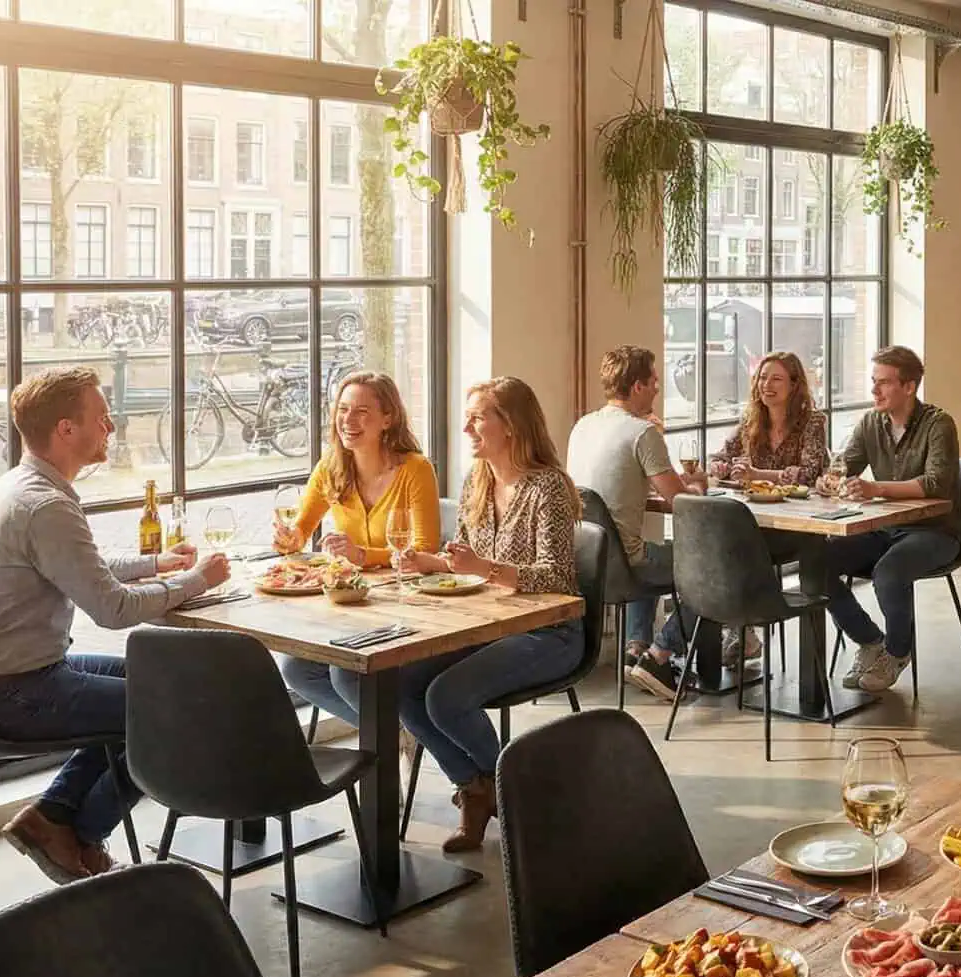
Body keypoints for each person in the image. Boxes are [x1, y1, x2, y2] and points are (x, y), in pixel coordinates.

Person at [0, 367, 230, 883]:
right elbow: (113, 610)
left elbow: (81, 565)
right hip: (15, 691)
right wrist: (195, 581)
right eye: (101, 417)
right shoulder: (45, 505)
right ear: (66, 429)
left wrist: (156, 564)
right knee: (175, 709)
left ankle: (52, 818)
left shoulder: (17, 486)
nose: (110, 426)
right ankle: (79, 833)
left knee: (159, 682)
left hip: (4, 676)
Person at [340, 377, 586, 852]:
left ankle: (516, 795)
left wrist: (484, 568)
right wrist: (428, 563)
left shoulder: (548, 487)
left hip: (549, 632)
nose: (467, 428)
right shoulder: (478, 480)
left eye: (477, 418)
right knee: (401, 686)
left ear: (510, 425)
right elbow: (465, 563)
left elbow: (556, 576)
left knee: (446, 696)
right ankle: (476, 788)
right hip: (487, 625)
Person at [278, 372, 441, 724]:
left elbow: (424, 550)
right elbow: (299, 532)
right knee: (296, 669)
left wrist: (363, 556)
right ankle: (392, 732)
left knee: (345, 675)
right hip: (352, 606)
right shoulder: (330, 468)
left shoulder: (415, 470)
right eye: (343, 410)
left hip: (406, 607)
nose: (348, 420)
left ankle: (393, 736)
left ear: (388, 419)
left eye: (362, 412)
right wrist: (288, 540)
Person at [818, 345, 961, 694]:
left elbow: (936, 483)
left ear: (909, 387)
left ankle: (897, 653)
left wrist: (875, 488)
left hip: (936, 531)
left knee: (889, 572)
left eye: (883, 382)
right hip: (885, 528)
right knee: (817, 563)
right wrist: (830, 480)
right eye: (873, 381)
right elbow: (845, 467)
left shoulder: (939, 424)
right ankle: (870, 641)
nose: (874, 390)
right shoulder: (871, 422)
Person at [565, 346, 707, 701]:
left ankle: (635, 651)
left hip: (586, 564)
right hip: (627, 564)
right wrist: (699, 484)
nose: (658, 387)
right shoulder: (642, 433)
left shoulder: (583, 426)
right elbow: (681, 502)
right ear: (638, 386)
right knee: (711, 570)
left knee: (642, 546)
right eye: (654, 381)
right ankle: (659, 656)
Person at [708, 351, 829, 486]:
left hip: (801, 500)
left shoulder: (813, 422)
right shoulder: (750, 421)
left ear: (793, 385)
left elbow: (809, 475)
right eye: (763, 377)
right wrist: (718, 467)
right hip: (754, 498)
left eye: (776, 379)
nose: (766, 384)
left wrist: (756, 475)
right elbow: (720, 457)